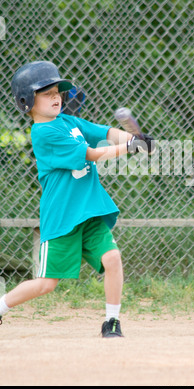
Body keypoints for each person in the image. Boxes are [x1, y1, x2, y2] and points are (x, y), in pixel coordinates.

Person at [0, 61, 154, 337]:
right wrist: (131, 147)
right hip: (63, 217)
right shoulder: (43, 133)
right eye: (46, 93)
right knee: (46, 283)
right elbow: (92, 154)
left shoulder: (70, 121)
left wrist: (134, 139)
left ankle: (112, 321)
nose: (56, 96)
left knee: (113, 258)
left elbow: (106, 133)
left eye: (57, 91)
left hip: (90, 211)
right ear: (27, 102)